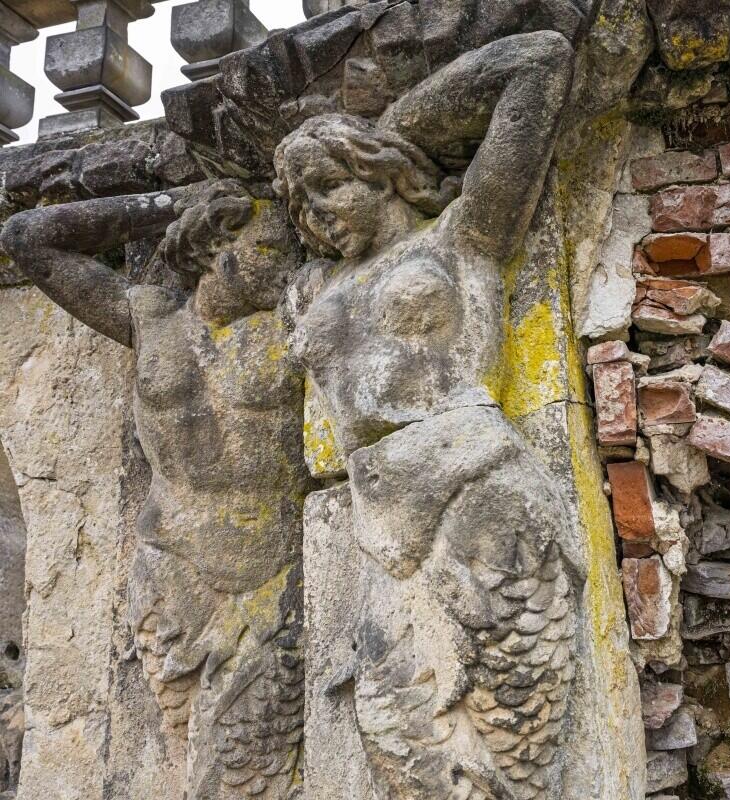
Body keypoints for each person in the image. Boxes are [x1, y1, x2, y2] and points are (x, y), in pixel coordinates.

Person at [274, 30, 582, 799]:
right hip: (387, 524)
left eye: (329, 187)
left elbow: (539, 60)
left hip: (480, 495)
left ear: (379, 175)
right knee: (398, 731)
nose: (316, 216)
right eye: (301, 205)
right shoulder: (317, 289)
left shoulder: (464, 232)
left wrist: (403, 122)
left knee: (508, 740)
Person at [1, 180, 309, 799]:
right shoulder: (149, 319)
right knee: (187, 760)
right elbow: (25, 239)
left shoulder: (297, 315)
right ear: (214, 244)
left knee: (248, 769)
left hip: (268, 578)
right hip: (168, 572)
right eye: (269, 248)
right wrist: (173, 201)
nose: (285, 264)